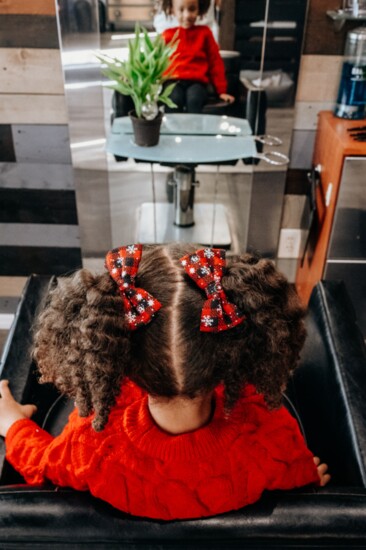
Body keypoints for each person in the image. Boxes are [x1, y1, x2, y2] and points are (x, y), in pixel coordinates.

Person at [0, 243, 330, 520]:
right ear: (228, 345)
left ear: (118, 355)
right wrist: (309, 476)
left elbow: (42, 463)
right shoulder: (270, 440)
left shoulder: (93, 448)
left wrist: (13, 423)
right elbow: (298, 471)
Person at [160, 0, 235, 113]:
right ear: (172, 10)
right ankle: (172, 130)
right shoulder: (167, 35)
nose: (187, 15)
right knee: (173, 99)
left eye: (192, 9)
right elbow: (155, 62)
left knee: (195, 99)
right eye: (181, 10)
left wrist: (221, 91)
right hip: (172, 81)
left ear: (199, 9)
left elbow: (216, 63)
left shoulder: (205, 33)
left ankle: (194, 130)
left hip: (197, 82)